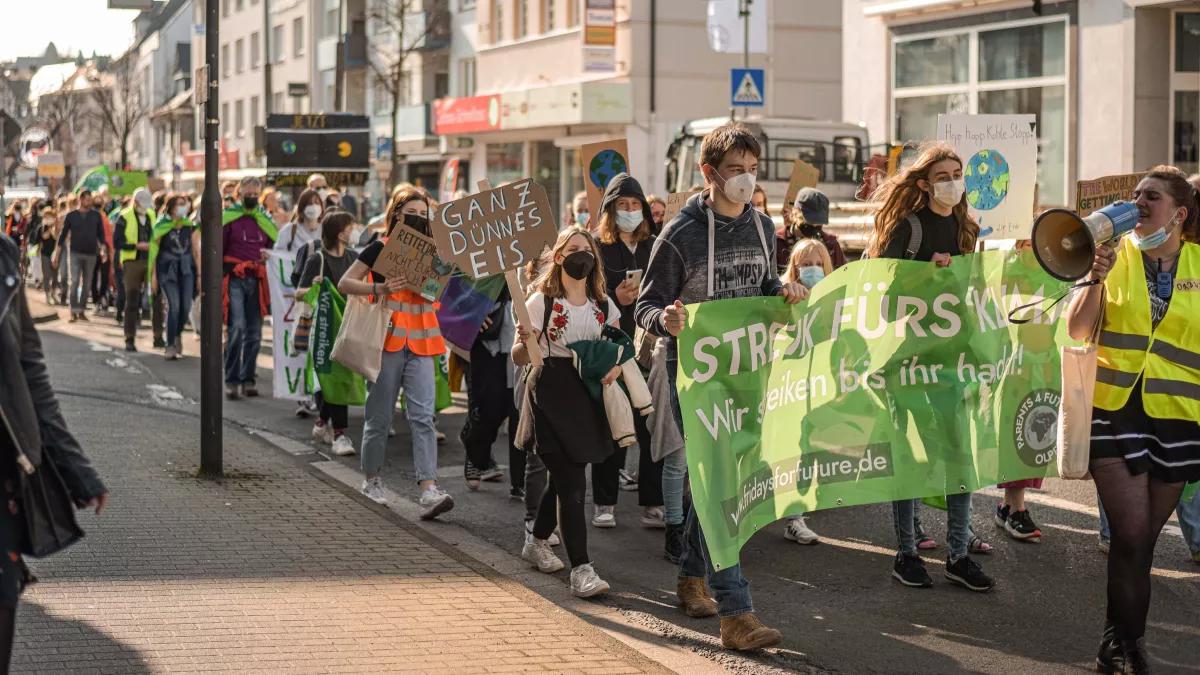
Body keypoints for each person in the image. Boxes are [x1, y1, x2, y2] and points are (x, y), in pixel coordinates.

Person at [635, 121, 806, 651]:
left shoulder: (761, 225)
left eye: (752, 170)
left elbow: (762, 288)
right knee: (717, 479)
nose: (745, 180)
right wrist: (666, 319)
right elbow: (643, 307)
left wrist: (785, 291)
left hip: (745, 369)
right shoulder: (679, 233)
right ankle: (737, 612)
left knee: (718, 478)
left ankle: (690, 575)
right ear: (709, 174)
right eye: (735, 171)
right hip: (693, 372)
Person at [1064, 166, 1200, 673]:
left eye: (1152, 197)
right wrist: (1093, 277)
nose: (1140, 203)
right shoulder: (1112, 257)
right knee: (1131, 530)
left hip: (1180, 418)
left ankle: (1115, 642)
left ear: (1179, 212)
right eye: (1136, 195)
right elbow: (1079, 329)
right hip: (1113, 409)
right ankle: (1131, 648)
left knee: (1139, 543)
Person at [863, 144, 994, 593]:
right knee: (912, 458)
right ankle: (907, 553)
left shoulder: (967, 229)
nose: (954, 182)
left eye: (958, 173)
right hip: (908, 364)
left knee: (960, 458)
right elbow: (883, 298)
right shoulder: (908, 228)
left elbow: (972, 293)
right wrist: (925, 274)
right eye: (943, 175)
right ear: (923, 184)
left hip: (952, 361)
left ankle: (958, 555)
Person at [0, 230, 108, 674]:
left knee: (3, 596)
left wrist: (74, 468)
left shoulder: (3, 255)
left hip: (5, 467)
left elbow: (30, 371)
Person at [513, 226, 619, 598]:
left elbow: (617, 343)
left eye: (586, 249)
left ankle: (537, 539)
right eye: (572, 249)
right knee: (573, 481)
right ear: (558, 256)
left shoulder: (602, 304)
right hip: (550, 391)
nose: (581, 255)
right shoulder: (539, 302)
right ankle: (582, 569)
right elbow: (518, 354)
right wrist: (526, 344)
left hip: (587, 393)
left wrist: (615, 366)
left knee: (564, 478)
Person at [338, 185, 453, 519]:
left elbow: (436, 297)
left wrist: (432, 285)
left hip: (423, 343)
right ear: (395, 216)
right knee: (379, 416)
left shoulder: (437, 254)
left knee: (423, 418)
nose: (417, 220)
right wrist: (380, 287)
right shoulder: (378, 248)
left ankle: (429, 489)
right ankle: (371, 480)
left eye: (422, 214)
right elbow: (346, 282)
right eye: (410, 214)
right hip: (386, 342)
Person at [595, 172, 665, 530]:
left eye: (635, 205)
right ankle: (604, 502)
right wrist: (613, 298)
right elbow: (585, 294)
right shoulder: (597, 247)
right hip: (612, 346)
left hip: (649, 347)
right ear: (610, 210)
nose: (630, 211)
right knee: (613, 421)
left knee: (650, 423)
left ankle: (652, 502)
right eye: (622, 205)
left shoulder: (656, 246)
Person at [775, 238, 833, 545]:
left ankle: (795, 517)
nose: (812, 269)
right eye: (805, 264)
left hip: (817, 386)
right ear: (794, 268)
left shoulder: (834, 298)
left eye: (818, 263)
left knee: (806, 451)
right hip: (787, 389)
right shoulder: (782, 299)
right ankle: (789, 515)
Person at [296, 211, 360, 457]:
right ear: (340, 232)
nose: (353, 231)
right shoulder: (318, 259)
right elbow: (299, 293)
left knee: (339, 378)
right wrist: (313, 285)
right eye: (350, 227)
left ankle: (323, 421)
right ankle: (340, 434)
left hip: (348, 326)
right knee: (330, 377)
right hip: (324, 330)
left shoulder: (355, 258)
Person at [459, 284, 522, 496]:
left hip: (522, 337)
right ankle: (475, 452)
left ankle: (520, 482)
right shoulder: (479, 257)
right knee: (490, 408)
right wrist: (472, 314)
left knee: (518, 411)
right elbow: (455, 291)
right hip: (488, 341)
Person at [221, 177, 277, 399]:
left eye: (256, 194)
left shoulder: (265, 220)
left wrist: (268, 257)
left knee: (254, 332)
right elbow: (218, 249)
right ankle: (232, 379)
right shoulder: (229, 219)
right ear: (239, 193)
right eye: (248, 194)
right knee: (237, 328)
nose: (252, 197)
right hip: (234, 278)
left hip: (257, 279)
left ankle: (248, 378)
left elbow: (274, 246)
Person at [153, 194, 200, 360]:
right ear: (172, 207)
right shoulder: (161, 225)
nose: (183, 207)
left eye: (185, 204)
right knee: (174, 305)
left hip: (186, 270)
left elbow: (195, 252)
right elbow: (154, 251)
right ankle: (170, 344)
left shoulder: (190, 226)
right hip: (167, 270)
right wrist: (153, 276)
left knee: (186, 306)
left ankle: (177, 333)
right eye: (180, 204)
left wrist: (200, 274)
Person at [113, 188, 160, 352]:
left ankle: (158, 336)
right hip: (131, 261)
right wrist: (136, 245)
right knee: (132, 300)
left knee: (156, 298)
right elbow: (117, 242)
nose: (145, 208)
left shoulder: (152, 215)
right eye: (143, 204)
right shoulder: (124, 216)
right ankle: (129, 338)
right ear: (136, 202)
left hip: (150, 260)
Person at [57, 189, 107, 322]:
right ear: (81, 200)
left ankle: (81, 310)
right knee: (74, 281)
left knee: (87, 284)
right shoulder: (71, 215)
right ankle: (73, 310)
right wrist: (55, 254)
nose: (90, 202)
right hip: (75, 253)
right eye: (88, 200)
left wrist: (103, 249)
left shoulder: (96, 216)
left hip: (91, 254)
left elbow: (101, 235)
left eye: (91, 200)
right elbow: (62, 236)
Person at [777, 188, 847, 272]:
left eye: (819, 222)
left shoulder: (831, 244)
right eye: (811, 220)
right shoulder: (778, 242)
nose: (815, 225)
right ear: (796, 212)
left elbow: (842, 275)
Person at [35, 207, 59, 305]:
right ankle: (47, 295)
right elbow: (40, 239)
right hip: (45, 254)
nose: (49, 218)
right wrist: (47, 230)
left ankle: (53, 293)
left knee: (55, 275)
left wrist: (53, 228)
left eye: (50, 216)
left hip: (55, 254)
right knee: (47, 275)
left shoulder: (56, 226)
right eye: (47, 216)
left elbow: (57, 237)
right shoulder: (41, 228)